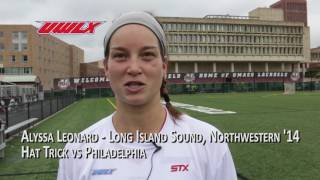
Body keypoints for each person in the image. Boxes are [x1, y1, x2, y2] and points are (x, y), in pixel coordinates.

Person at [57, 11, 237, 180]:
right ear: (106, 68)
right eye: (120, 56)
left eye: (147, 55)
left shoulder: (208, 143)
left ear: (164, 67)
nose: (134, 68)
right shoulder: (77, 151)